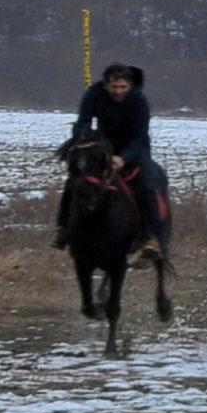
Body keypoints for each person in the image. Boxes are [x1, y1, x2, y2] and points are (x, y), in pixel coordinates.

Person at [55, 63, 167, 264]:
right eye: (114, 87)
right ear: (106, 85)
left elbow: (140, 137)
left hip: (134, 149)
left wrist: (123, 158)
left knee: (147, 183)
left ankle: (151, 238)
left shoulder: (139, 101)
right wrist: (85, 139)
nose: (118, 91)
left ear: (130, 86)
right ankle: (63, 229)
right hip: (102, 147)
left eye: (123, 87)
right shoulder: (93, 94)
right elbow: (82, 122)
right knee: (75, 181)